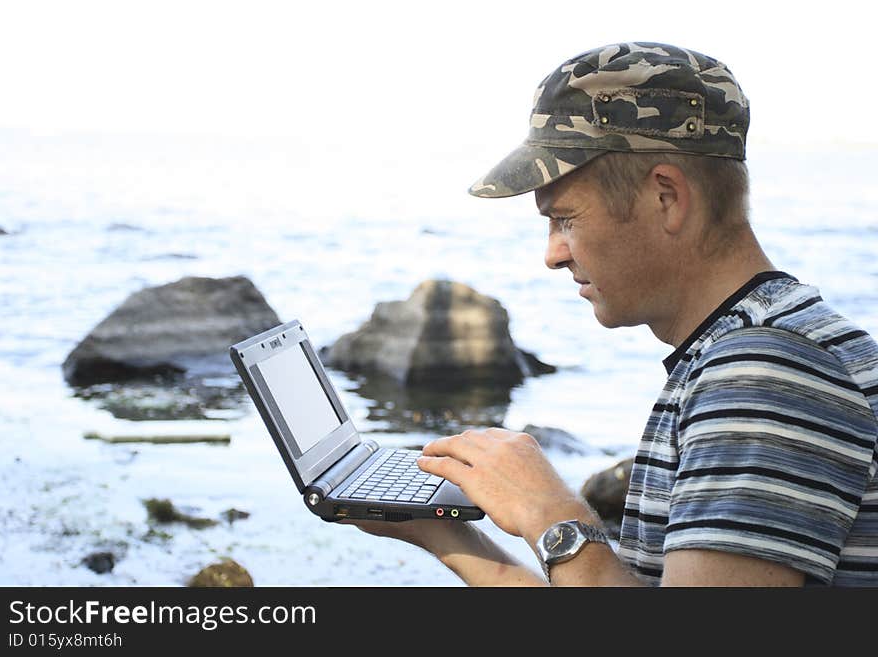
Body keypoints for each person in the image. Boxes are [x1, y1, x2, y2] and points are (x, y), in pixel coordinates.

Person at [348, 42, 878, 586]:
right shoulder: (748, 349)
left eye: (566, 219)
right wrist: (442, 533)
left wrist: (555, 516)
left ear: (666, 197)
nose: (552, 253)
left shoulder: (764, 374)